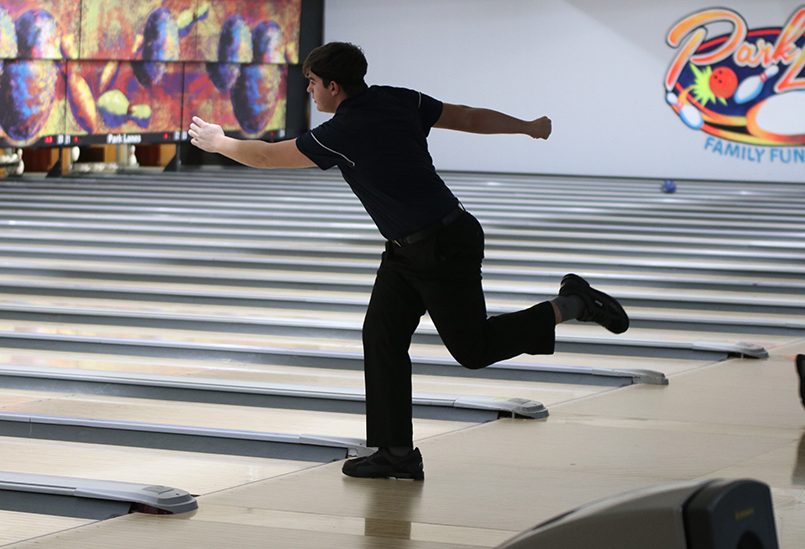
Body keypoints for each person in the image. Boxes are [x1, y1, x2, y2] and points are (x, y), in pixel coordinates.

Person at [188, 42, 629, 481]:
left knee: (474, 349)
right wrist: (527, 127)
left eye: (312, 83)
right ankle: (395, 452)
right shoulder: (398, 98)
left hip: (442, 245)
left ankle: (572, 303)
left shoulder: (342, 132)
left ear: (334, 86)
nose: (309, 90)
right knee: (381, 336)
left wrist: (220, 142)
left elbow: (267, 156)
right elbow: (469, 116)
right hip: (409, 248)